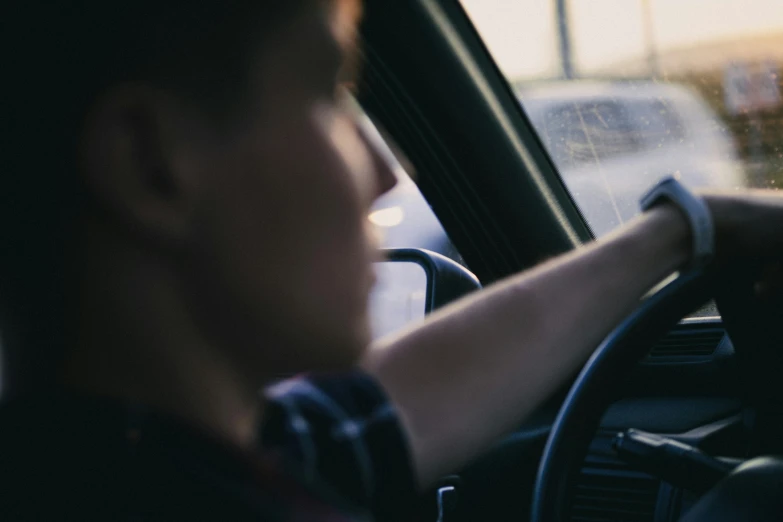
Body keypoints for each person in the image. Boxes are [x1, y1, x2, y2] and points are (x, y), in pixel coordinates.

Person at [3, 0, 783, 520]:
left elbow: (386, 407)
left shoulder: (116, 463)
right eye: (329, 92)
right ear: (150, 161)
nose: (381, 170)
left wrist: (681, 230)